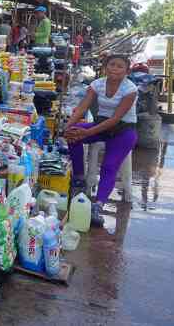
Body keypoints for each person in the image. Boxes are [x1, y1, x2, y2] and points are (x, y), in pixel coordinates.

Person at [64, 54, 138, 227]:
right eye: (112, 64)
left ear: (127, 71)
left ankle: (98, 205)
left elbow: (115, 119)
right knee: (73, 135)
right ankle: (80, 180)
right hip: (100, 126)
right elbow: (83, 107)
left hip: (123, 130)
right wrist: (68, 126)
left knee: (109, 166)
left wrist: (87, 134)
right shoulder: (97, 84)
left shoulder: (130, 89)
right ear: (105, 67)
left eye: (120, 66)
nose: (115, 68)